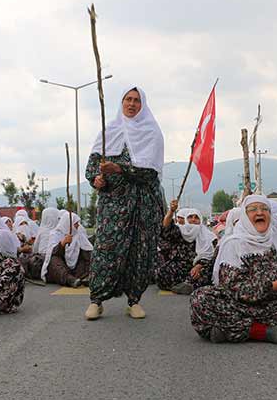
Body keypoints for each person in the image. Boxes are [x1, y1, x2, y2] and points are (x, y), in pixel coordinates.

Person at [84, 86, 165, 320]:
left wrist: (120, 168)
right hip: (113, 205)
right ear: (121, 103)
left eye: (137, 100)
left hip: (142, 204)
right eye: (128, 100)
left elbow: (150, 173)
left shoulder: (152, 133)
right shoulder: (109, 131)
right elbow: (92, 166)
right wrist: (96, 179)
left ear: (143, 104)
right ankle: (96, 300)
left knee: (139, 252)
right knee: (106, 249)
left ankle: (134, 300)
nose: (131, 104)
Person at [190, 195, 277, 344]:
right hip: (238, 306)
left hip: (271, 308)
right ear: (244, 215)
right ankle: (264, 332)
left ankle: (231, 330)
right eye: (253, 209)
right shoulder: (233, 244)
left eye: (264, 209)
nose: (260, 213)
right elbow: (232, 288)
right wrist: (275, 286)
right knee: (201, 299)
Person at [156, 200, 216, 295]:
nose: (193, 219)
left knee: (208, 272)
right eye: (190, 217)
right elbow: (166, 227)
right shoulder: (180, 231)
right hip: (181, 266)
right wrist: (171, 211)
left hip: (198, 267)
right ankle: (183, 285)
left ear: (200, 220)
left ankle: (189, 286)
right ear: (186, 219)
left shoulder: (208, 236)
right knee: (162, 272)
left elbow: (211, 255)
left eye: (196, 217)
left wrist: (199, 266)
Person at [41, 212, 93, 287]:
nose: (78, 226)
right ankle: (70, 280)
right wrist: (63, 243)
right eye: (75, 224)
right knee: (54, 260)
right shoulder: (55, 234)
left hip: (75, 269)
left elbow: (87, 250)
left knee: (86, 256)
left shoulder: (78, 234)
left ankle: (84, 277)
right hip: (60, 267)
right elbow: (51, 253)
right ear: (68, 224)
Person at [23, 207, 59, 279]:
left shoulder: (42, 230)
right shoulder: (58, 231)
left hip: (40, 260)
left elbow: (35, 248)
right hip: (55, 259)